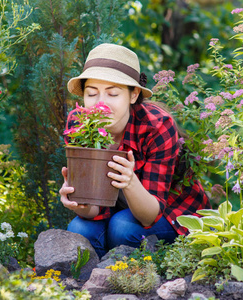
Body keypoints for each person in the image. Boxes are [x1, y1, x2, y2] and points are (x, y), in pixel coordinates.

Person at [59, 43, 211, 258]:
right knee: (80, 230)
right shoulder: (80, 123)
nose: (101, 103)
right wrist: (78, 202)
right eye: (92, 93)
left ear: (133, 95)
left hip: (170, 212)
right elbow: (92, 211)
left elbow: (149, 216)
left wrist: (130, 181)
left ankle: (138, 275)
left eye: (113, 94)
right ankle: (98, 282)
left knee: (122, 228)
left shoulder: (156, 126)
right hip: (112, 211)